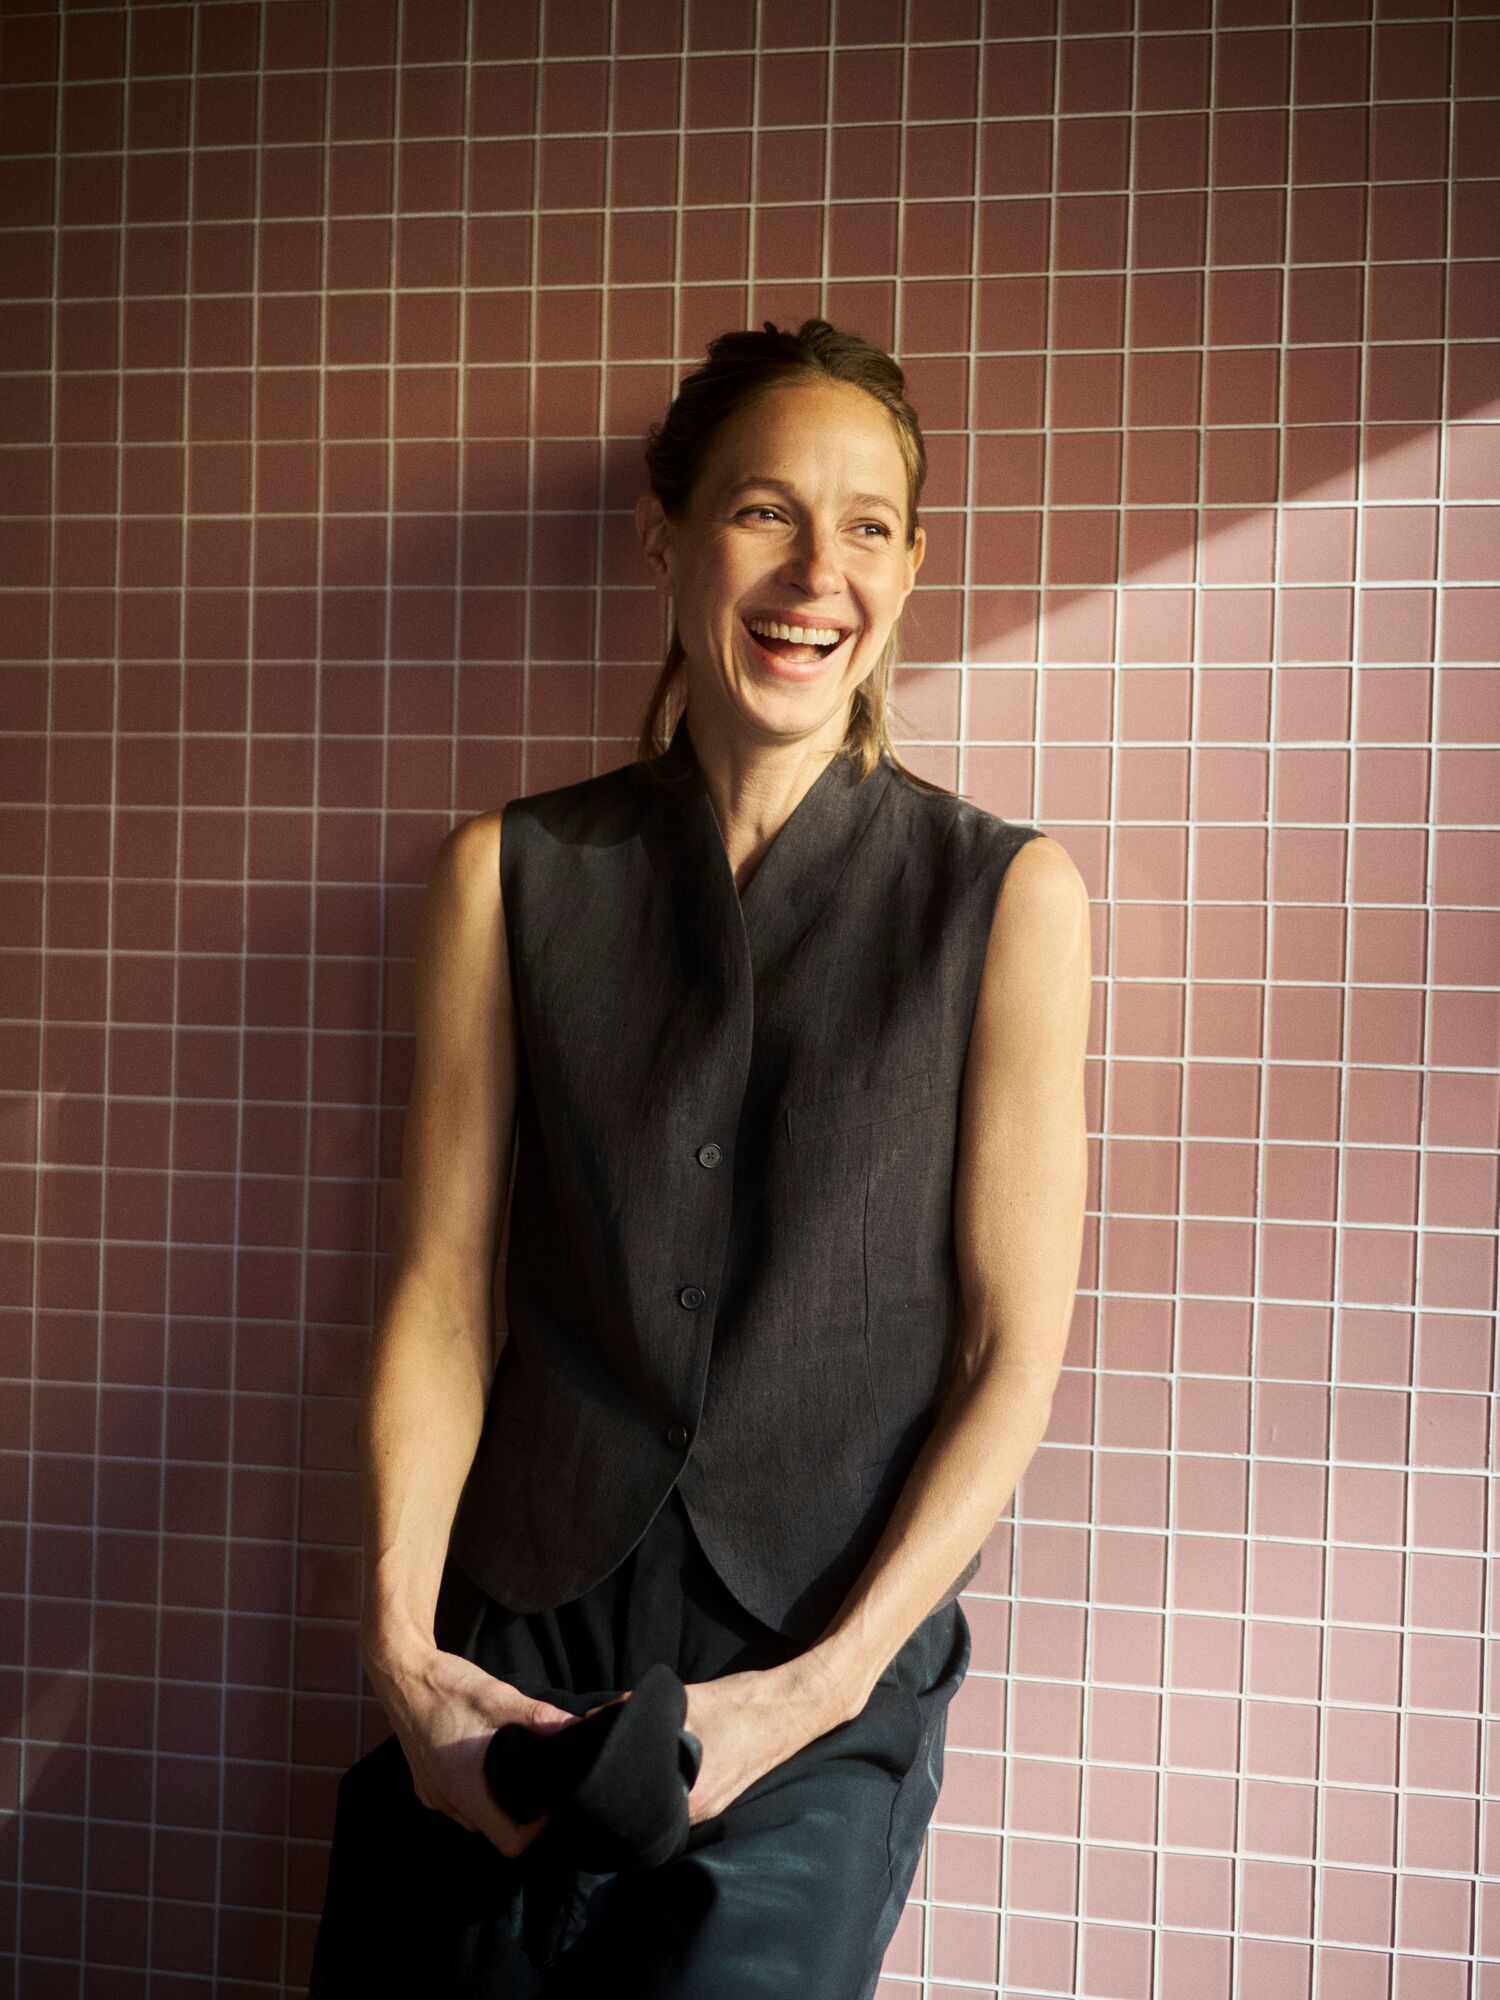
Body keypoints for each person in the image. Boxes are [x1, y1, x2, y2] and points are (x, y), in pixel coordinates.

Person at [308, 319, 1091, 1998]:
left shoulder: (1004, 901)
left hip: (821, 1669)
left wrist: (827, 1685)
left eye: (867, 525)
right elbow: (442, 1296)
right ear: (664, 541)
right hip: (516, 1644)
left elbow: (1008, 1353)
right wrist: (401, 1657)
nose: (817, 573)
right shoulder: (505, 875)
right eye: (762, 511)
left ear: (912, 567)